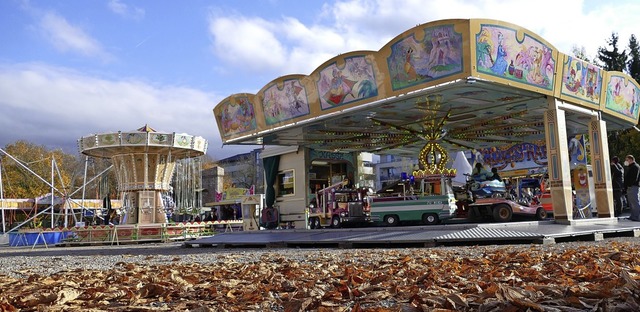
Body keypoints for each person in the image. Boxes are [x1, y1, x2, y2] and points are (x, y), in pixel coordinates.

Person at [623, 155, 640, 221]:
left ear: (630, 160)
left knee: (634, 202)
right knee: (631, 203)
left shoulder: (635, 167)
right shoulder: (632, 167)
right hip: (631, 187)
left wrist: (629, 185)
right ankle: (633, 216)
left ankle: (637, 216)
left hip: (633, 187)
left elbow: (634, 178)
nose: (626, 161)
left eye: (627, 160)